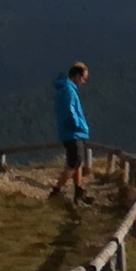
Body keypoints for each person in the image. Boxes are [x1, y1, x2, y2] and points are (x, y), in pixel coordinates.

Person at [48, 59, 93, 204]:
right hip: (73, 132)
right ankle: (56, 191)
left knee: (78, 162)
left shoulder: (66, 89)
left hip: (72, 132)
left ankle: (78, 191)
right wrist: (79, 125)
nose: (84, 82)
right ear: (78, 76)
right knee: (73, 163)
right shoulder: (69, 91)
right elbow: (70, 112)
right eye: (84, 78)